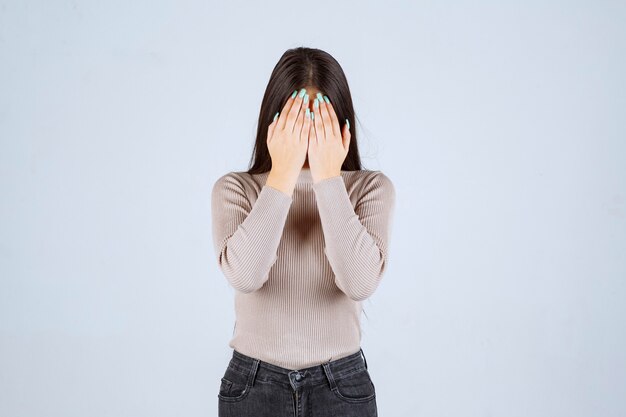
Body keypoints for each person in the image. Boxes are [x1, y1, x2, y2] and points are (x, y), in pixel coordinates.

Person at [211, 47, 395, 417]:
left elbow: (359, 283)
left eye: (319, 119)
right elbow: (246, 276)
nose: (308, 134)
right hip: (253, 383)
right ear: (274, 122)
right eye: (297, 119)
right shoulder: (236, 189)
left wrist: (328, 178)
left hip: (341, 385)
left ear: (341, 123)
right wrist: (282, 175)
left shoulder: (369, 189)